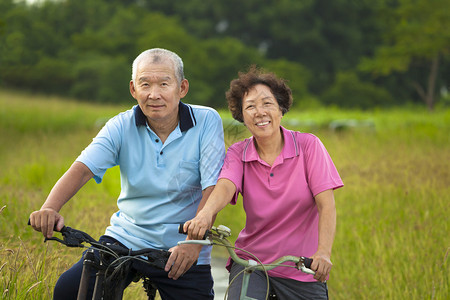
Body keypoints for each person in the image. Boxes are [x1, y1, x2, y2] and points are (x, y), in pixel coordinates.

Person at [29, 48, 225, 300]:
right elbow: (81, 169)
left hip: (183, 246)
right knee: (69, 290)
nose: (154, 94)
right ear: (134, 89)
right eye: (145, 84)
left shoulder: (206, 121)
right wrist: (49, 207)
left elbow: (213, 187)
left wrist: (193, 243)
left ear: (182, 88)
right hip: (126, 238)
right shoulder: (120, 125)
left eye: (164, 84)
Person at [184, 66, 343, 300]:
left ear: (281, 108)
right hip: (251, 263)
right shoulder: (238, 152)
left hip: (300, 267)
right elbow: (226, 185)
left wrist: (323, 253)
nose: (259, 112)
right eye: (250, 106)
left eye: (267, 103)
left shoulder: (309, 146)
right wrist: (204, 215)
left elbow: (326, 205)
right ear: (242, 115)